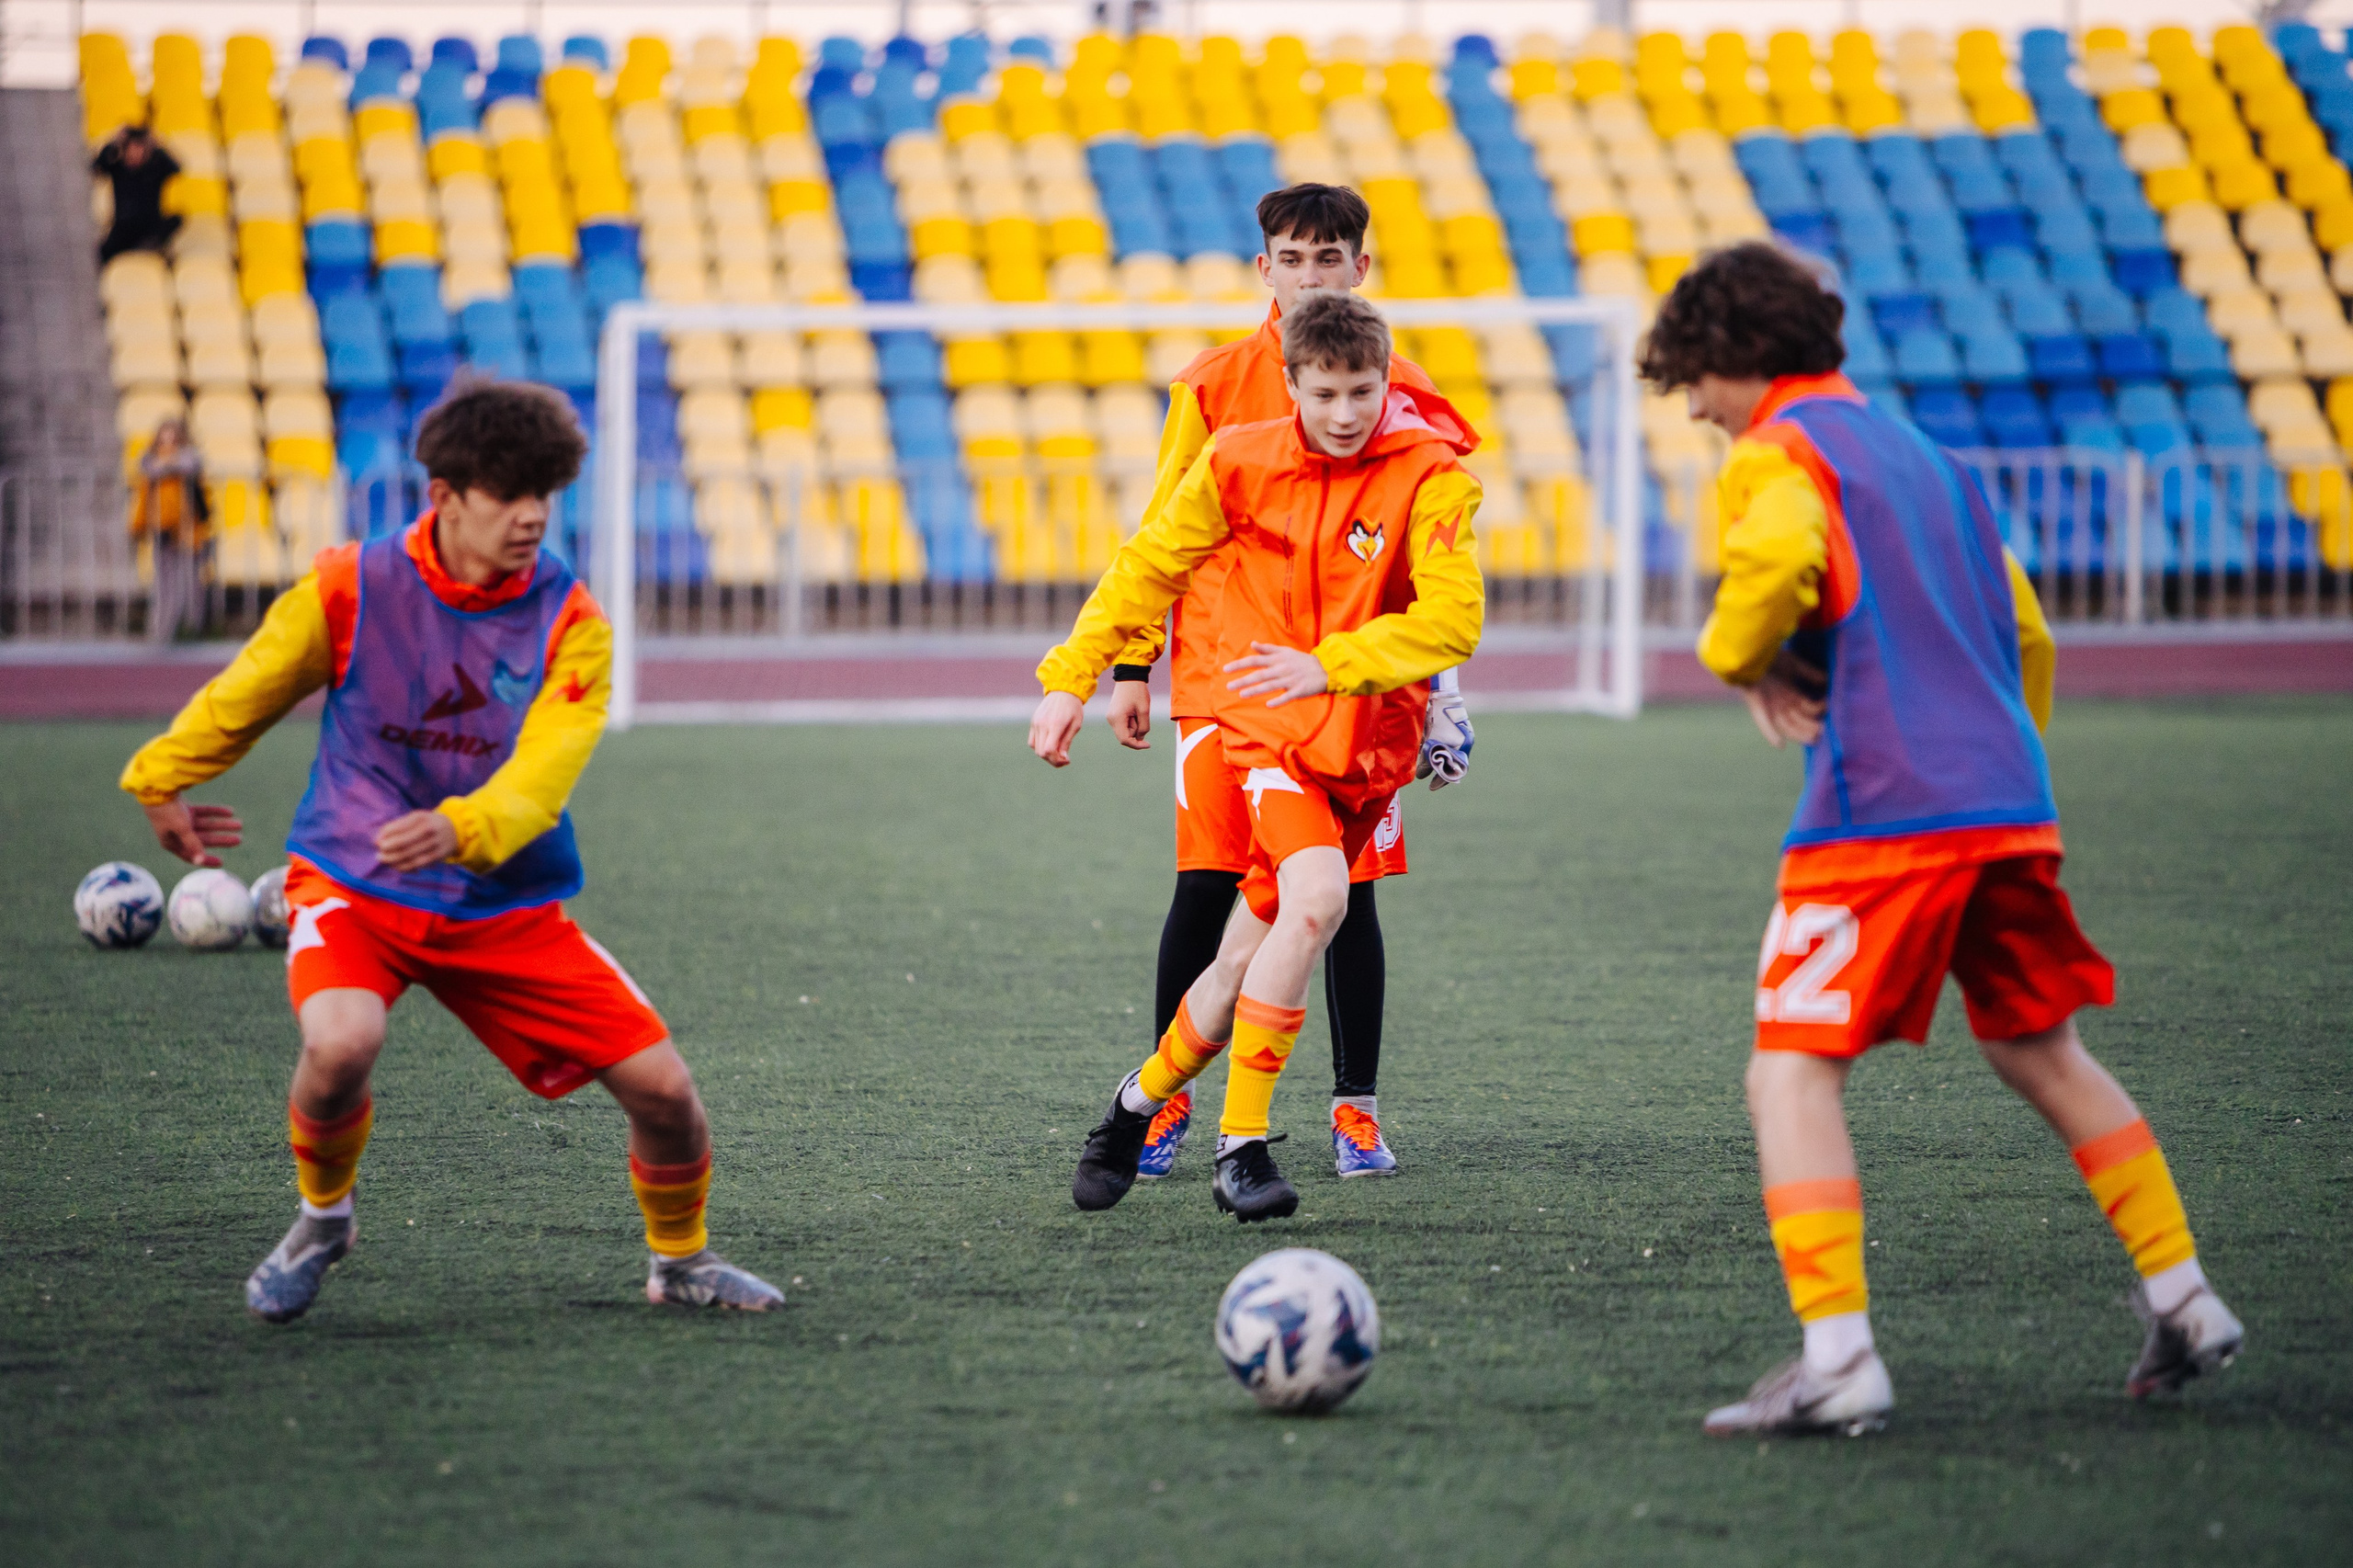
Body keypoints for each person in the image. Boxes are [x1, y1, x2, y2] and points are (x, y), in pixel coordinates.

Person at [1635, 243, 2241, 1437]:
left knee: (1789, 1069)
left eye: (1695, 378)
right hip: (2007, 800)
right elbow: (2027, 632)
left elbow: (1775, 562)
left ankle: (1840, 1356)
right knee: (2038, 1047)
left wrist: (1736, 657)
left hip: (1883, 811)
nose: (1693, 406)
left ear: (1741, 359)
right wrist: (2000, 771)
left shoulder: (1776, 451)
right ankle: (2184, 1291)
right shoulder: (1935, 459)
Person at [118, 379, 784, 1322]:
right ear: (444, 496)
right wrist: (162, 776)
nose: (531, 516)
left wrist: (466, 827)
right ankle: (323, 1218)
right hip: (355, 879)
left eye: (543, 494)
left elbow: (547, 770)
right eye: (507, 494)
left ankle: (680, 1260)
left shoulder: (573, 620)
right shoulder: (350, 585)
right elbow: (251, 687)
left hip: (499, 901)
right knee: (343, 1040)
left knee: (668, 1092)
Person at [1030, 291, 1484, 1221]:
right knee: (1318, 901)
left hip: (1370, 745)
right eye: (1325, 392)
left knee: (1241, 958)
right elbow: (1148, 563)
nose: (1347, 412)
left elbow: (1453, 617)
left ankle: (1128, 1108)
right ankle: (1241, 1148)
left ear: (1386, 380)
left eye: (1362, 389)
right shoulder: (1237, 461)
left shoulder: (1431, 476)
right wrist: (1073, 675)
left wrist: (1338, 668)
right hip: (1266, 727)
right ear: (1291, 387)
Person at [131, 418, 210, 642]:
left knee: (191, 579)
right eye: (164, 439)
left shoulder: (188, 459)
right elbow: (147, 469)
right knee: (164, 580)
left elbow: (191, 464)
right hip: (161, 526)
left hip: (187, 526)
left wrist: (167, 465)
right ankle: (162, 629)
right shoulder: (150, 461)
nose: (168, 445)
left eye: (173, 439)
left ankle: (191, 627)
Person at [94, 124, 182, 264]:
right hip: (124, 227)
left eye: (140, 148)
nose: (135, 153)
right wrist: (115, 142)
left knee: (177, 218)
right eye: (132, 148)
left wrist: (157, 145)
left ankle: (149, 247)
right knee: (103, 251)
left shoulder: (155, 168)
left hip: (150, 227)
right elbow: (98, 166)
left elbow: (177, 168)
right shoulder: (118, 168)